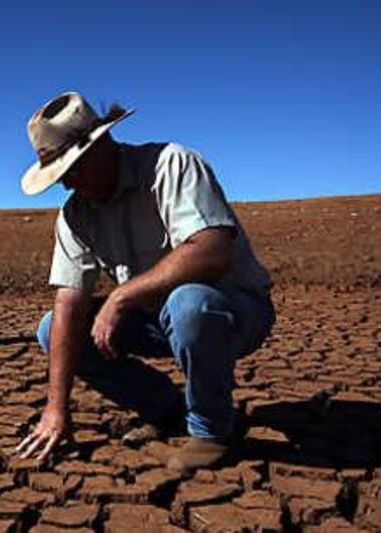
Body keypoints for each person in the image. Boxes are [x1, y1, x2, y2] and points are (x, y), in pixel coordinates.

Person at [14, 92, 275, 473]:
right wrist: (56, 408)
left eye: (73, 168)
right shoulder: (76, 214)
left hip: (233, 311)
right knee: (52, 330)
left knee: (190, 304)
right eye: (60, 175)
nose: (68, 183)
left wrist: (120, 297)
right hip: (156, 321)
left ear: (102, 144)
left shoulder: (172, 165)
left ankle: (212, 432)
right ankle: (165, 408)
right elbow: (68, 301)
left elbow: (212, 249)